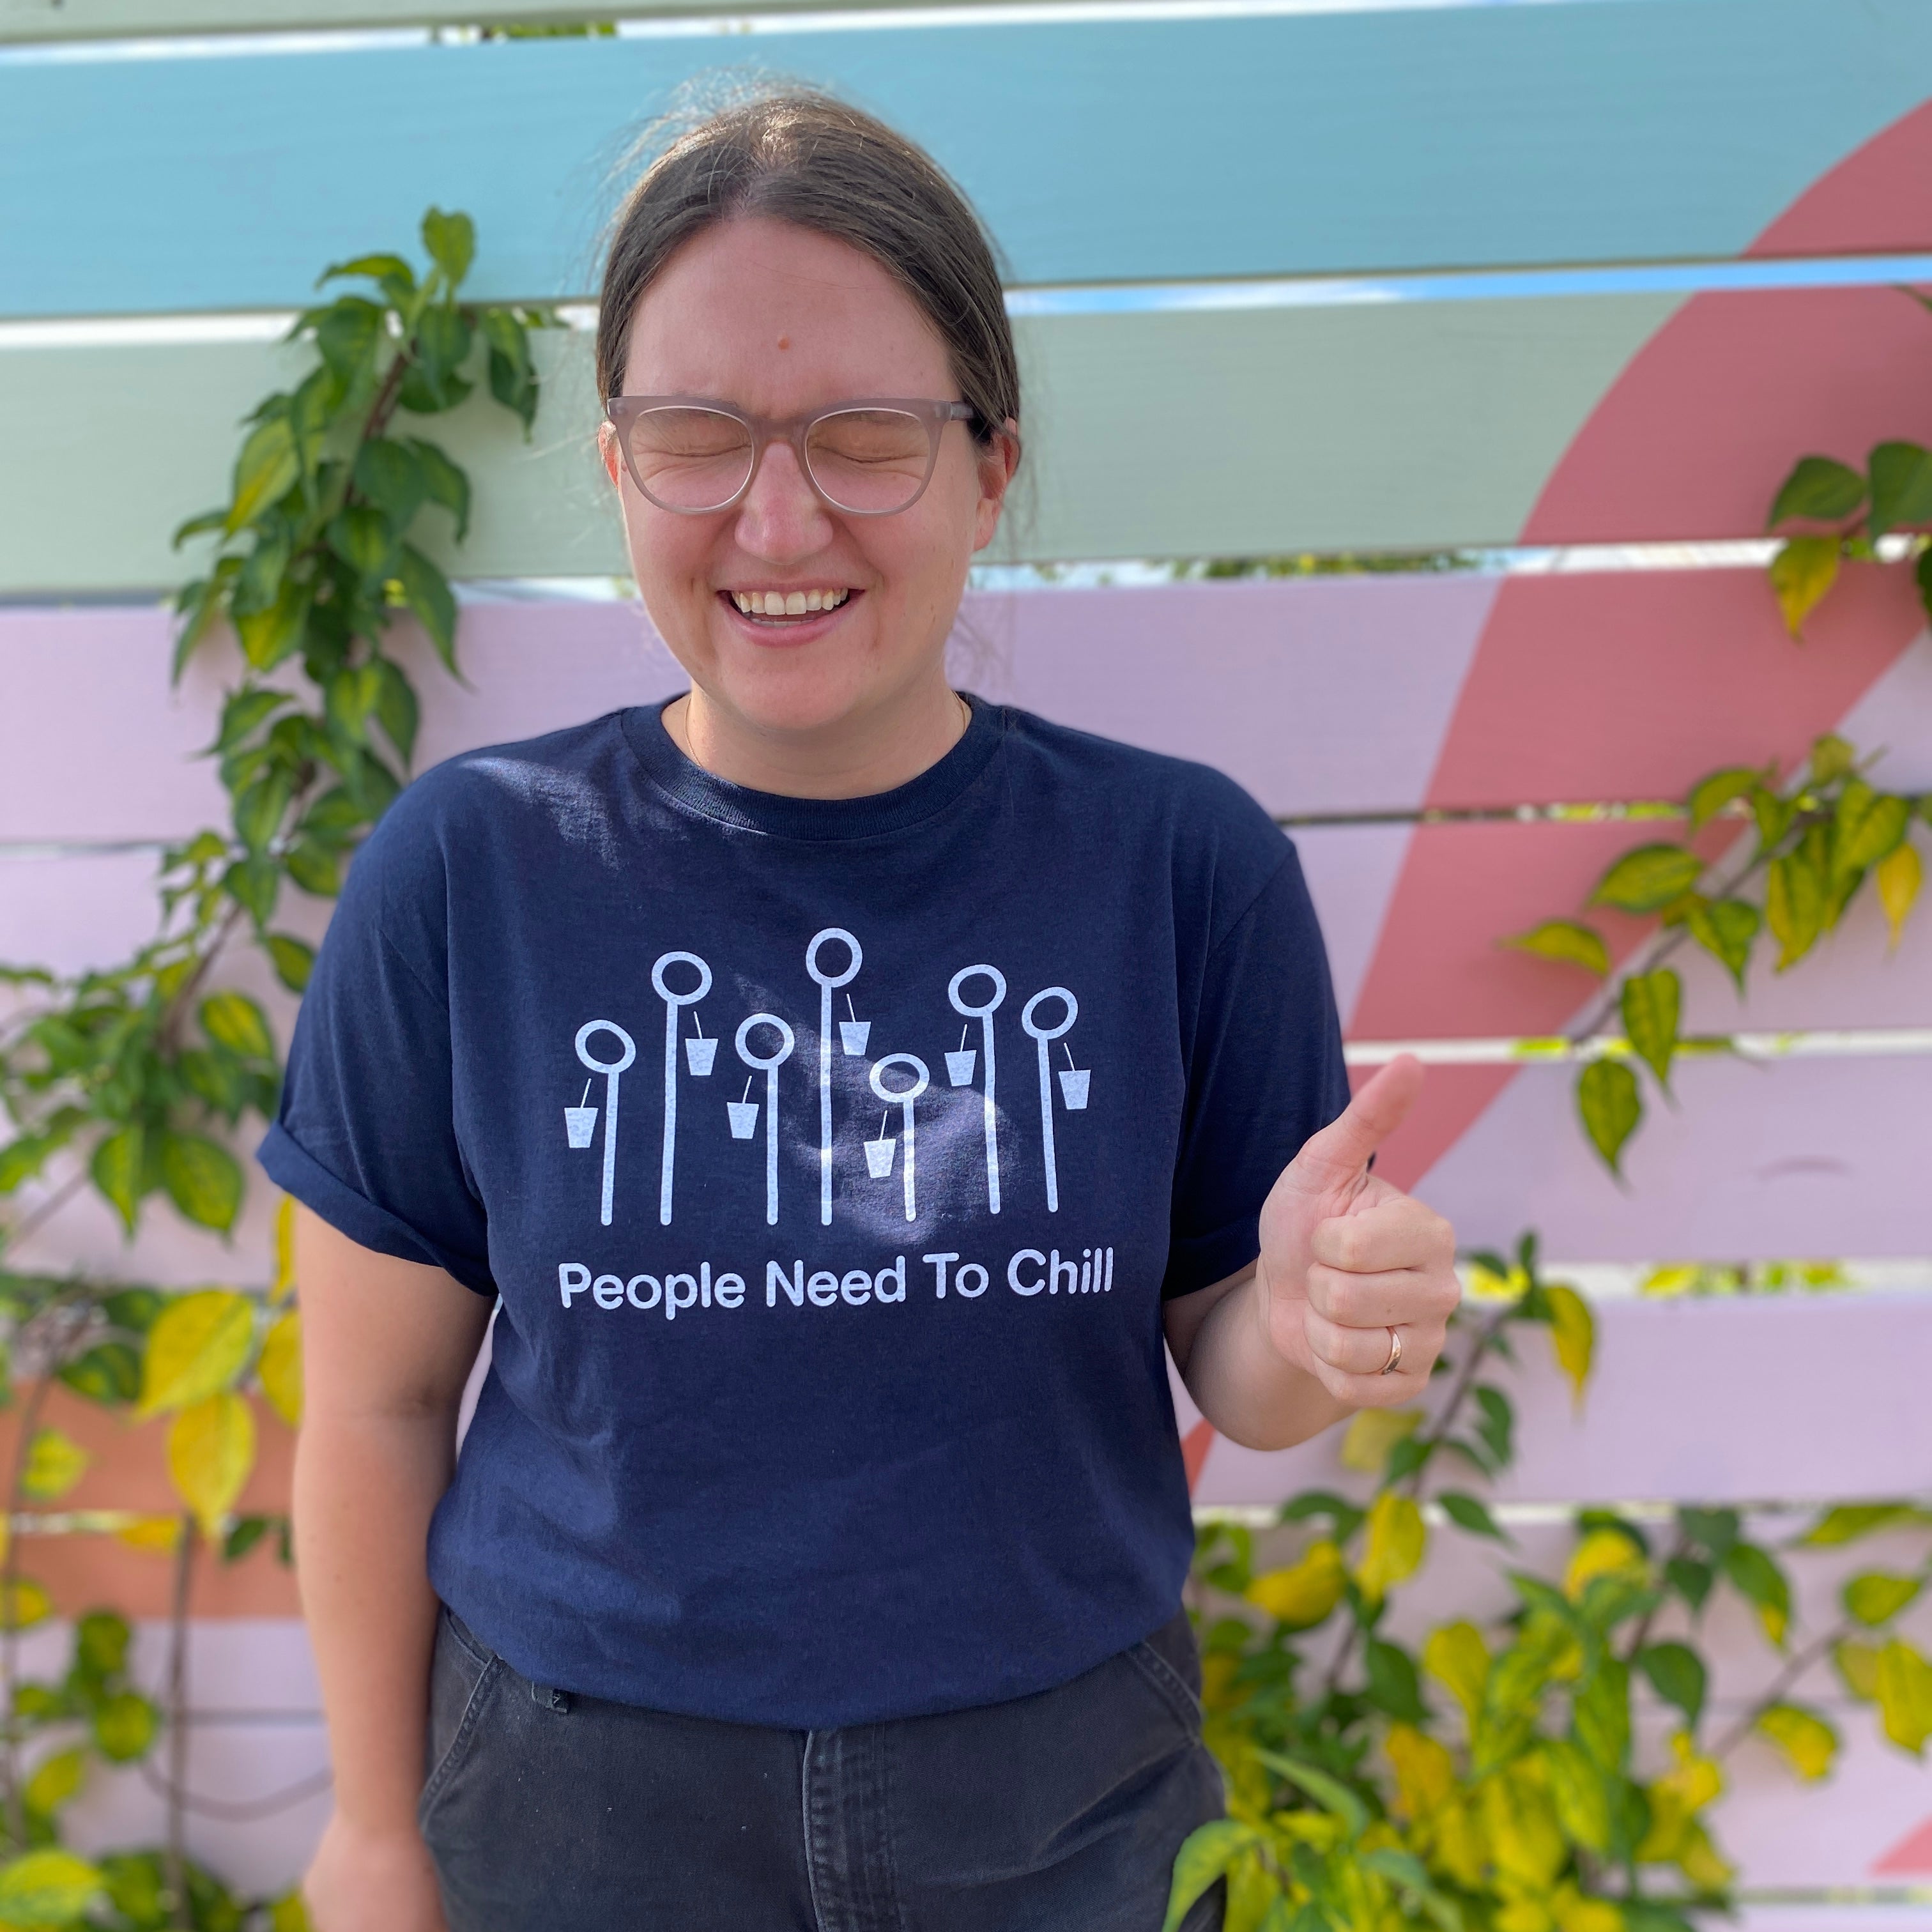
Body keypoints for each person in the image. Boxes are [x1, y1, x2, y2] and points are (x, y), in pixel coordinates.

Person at [269, 90, 1460, 1932]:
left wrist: (1306, 1321)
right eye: (697, 436)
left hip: (1061, 1804)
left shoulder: (1179, 867)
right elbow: (374, 1403)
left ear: (989, 464)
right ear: (614, 466)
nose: (776, 514)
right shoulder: (468, 875)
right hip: (575, 1810)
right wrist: (369, 1830)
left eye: (864, 438)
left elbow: (1240, 1357)